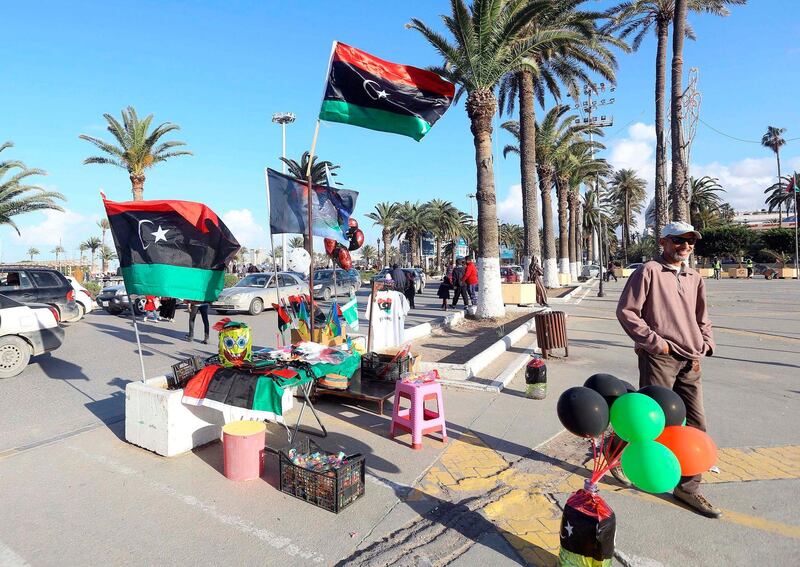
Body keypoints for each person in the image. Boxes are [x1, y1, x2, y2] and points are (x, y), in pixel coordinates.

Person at [616, 221, 719, 518]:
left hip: (692, 359)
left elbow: (702, 316)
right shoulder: (648, 270)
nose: (685, 246)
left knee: (696, 424)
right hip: (660, 359)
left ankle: (688, 489)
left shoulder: (694, 276)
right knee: (650, 422)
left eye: (691, 242)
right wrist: (654, 344)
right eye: (679, 240)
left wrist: (707, 342)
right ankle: (617, 456)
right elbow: (627, 311)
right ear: (663, 241)